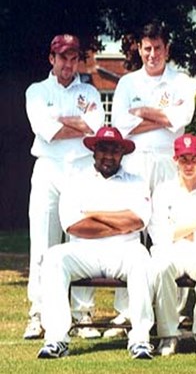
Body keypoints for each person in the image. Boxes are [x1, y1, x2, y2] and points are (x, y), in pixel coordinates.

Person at [36, 126, 154, 359]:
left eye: (114, 150)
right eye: (103, 149)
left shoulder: (136, 182)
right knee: (53, 258)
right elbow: (72, 225)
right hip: (84, 250)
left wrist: (94, 213)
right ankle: (57, 339)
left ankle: (140, 340)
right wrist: (118, 222)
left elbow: (137, 220)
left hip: (125, 250)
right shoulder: (75, 181)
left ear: (122, 153)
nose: (108, 156)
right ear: (94, 151)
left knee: (141, 258)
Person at [110, 20, 196, 333]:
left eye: (157, 48)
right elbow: (120, 127)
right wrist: (161, 117)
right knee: (130, 232)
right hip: (134, 163)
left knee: (170, 232)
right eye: (147, 48)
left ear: (166, 49)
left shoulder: (182, 81)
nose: (152, 54)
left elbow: (180, 119)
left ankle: (172, 308)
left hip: (167, 162)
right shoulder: (127, 84)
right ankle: (127, 309)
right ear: (139, 49)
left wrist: (142, 113)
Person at [24, 34, 104, 340]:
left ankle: (83, 315)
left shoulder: (90, 92)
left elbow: (95, 130)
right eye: (62, 58)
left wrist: (61, 119)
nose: (68, 64)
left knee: (82, 242)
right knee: (43, 242)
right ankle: (38, 313)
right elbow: (46, 132)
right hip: (48, 168)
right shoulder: (37, 91)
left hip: (82, 170)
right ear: (52, 59)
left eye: (73, 58)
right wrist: (77, 122)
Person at [148, 134, 196, 356]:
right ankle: (169, 334)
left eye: (193, 159)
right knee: (161, 268)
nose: (188, 165)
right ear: (175, 160)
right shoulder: (162, 192)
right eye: (183, 159)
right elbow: (158, 233)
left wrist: (179, 230)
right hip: (170, 250)